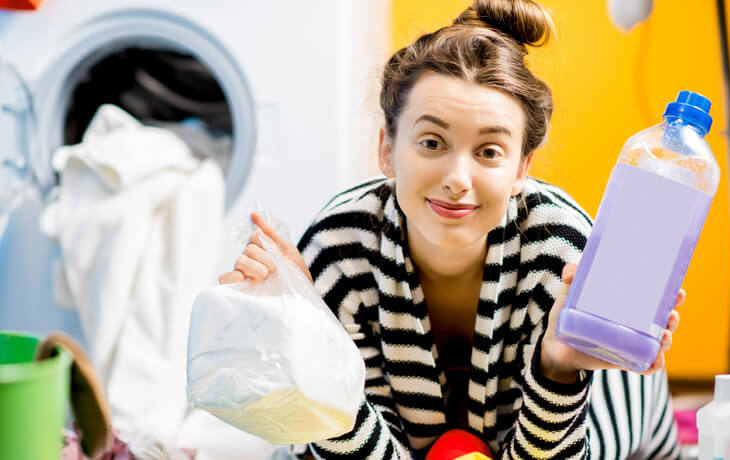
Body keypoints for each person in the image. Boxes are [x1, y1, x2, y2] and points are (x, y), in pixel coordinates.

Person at [219, 0, 686, 458]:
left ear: (522, 168)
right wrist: (309, 337)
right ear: (386, 149)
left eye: (488, 152)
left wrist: (557, 367)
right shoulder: (339, 248)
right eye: (431, 142)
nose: (457, 179)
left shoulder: (562, 251)